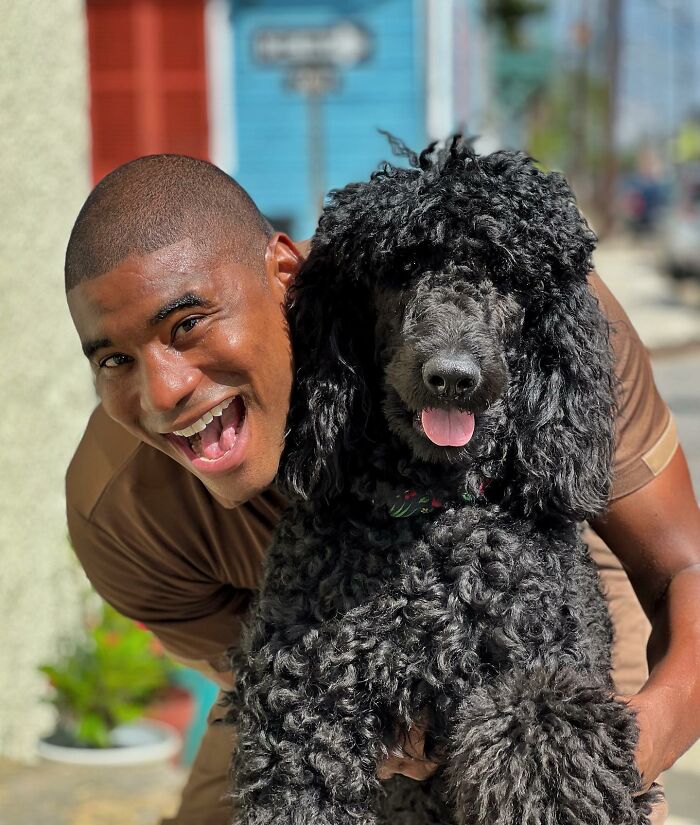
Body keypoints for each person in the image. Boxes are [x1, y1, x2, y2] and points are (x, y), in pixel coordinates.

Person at [65, 155, 700, 825]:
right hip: (332, 651)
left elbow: (684, 566)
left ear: (283, 274)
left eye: (188, 323)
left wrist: (619, 755)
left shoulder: (540, 302)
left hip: (541, 609)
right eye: (114, 359)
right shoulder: (120, 513)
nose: (164, 392)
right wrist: (387, 739)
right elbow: (285, 701)